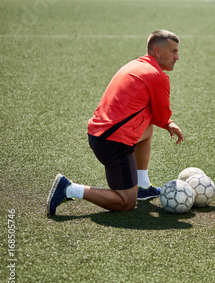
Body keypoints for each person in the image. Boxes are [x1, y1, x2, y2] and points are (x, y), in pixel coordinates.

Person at [47, 30, 184, 215]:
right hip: (113, 143)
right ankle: (69, 188)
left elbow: (154, 117)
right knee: (126, 202)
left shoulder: (136, 65)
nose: (177, 57)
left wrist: (167, 123)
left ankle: (142, 185)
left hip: (99, 134)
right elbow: (161, 116)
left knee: (148, 129)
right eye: (173, 51)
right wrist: (168, 122)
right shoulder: (156, 75)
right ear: (157, 52)